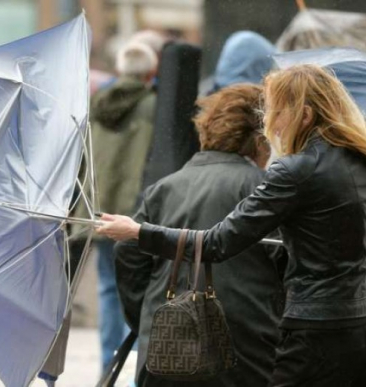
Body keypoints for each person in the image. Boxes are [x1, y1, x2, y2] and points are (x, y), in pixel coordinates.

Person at [97, 65, 366, 386]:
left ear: (306, 114)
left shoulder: (294, 171)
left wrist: (138, 232)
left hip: (310, 336)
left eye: (276, 110)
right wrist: (326, 234)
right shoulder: (364, 159)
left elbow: (217, 243)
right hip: (358, 332)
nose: (270, 122)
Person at [115, 83, 285, 387]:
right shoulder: (266, 190)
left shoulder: (164, 188)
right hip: (245, 346)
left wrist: (151, 315)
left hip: (165, 348)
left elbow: (129, 253)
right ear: (259, 140)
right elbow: (288, 264)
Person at [72, 41, 158, 372]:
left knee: (109, 288)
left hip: (99, 208)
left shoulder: (98, 101)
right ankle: (136, 365)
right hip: (135, 212)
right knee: (141, 288)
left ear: (121, 70)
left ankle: (109, 365)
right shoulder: (153, 105)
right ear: (151, 72)